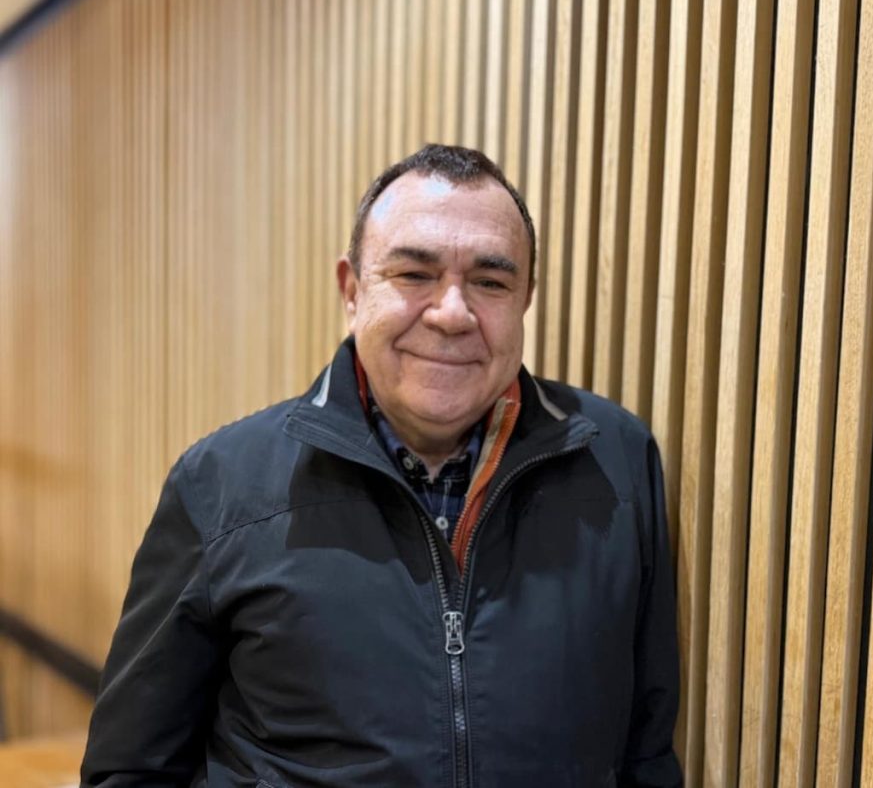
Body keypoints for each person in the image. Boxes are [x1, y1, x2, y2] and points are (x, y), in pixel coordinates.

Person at [81, 144, 682, 787]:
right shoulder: (222, 486)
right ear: (352, 290)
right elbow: (131, 771)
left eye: (490, 281)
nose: (452, 313)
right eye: (415, 274)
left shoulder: (615, 464)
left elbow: (646, 755)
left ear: (524, 299)